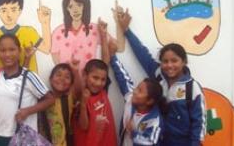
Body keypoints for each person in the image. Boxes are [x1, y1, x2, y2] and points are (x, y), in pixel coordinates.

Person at [116, 8, 206, 146]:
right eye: (165, 61)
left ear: (184, 62)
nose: (169, 65)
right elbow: (142, 54)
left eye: (174, 60)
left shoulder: (192, 88)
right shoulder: (158, 76)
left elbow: (199, 124)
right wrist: (126, 31)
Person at [0, 32, 55, 146]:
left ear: (19, 51)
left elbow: (50, 99)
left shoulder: (28, 76)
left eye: (12, 49)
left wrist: (28, 111)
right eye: (3, 50)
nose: (7, 54)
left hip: (22, 137)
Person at [102, 24, 163, 146]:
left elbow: (151, 141)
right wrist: (113, 56)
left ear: (150, 101)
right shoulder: (131, 99)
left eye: (140, 91)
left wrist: (134, 132)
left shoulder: (155, 120)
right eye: (137, 88)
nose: (134, 91)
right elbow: (123, 78)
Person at [51, 0, 125, 71]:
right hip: (68, 82)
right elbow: (56, 60)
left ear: (85, 7)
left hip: (90, 81)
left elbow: (120, 47)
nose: (75, 10)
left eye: (79, 5)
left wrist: (118, 22)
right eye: (70, 6)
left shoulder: (93, 29)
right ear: (66, 9)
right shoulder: (58, 32)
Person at [0, 0, 51, 73]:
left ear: (20, 11)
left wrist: (45, 23)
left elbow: (46, 49)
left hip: (29, 82)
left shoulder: (29, 31)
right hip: (4, 83)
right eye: (4, 10)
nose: (9, 15)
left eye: (13, 10)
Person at [73, 55, 117, 145]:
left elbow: (106, 63)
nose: (99, 83)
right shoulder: (81, 95)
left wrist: (104, 40)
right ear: (85, 75)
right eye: (95, 78)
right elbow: (83, 126)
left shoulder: (103, 90)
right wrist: (83, 103)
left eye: (103, 79)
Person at [44, 60, 81, 146]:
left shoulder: (69, 98)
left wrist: (75, 71)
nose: (62, 79)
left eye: (67, 77)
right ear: (50, 79)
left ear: (71, 84)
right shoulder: (43, 98)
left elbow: (79, 91)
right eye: (58, 75)